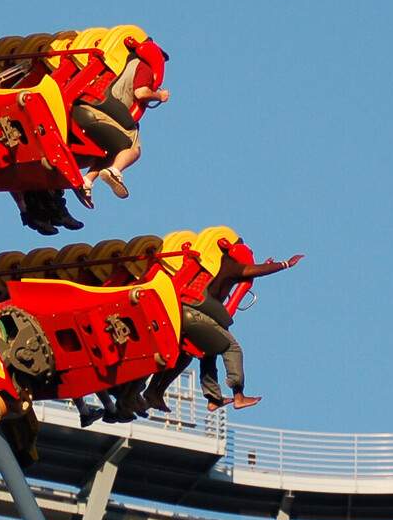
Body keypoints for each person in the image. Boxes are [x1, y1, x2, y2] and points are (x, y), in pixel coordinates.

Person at [144, 244, 304, 412]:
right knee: (232, 348)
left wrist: (263, 264)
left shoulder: (211, 263)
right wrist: (285, 264)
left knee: (206, 351)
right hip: (197, 314)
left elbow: (252, 270)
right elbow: (255, 270)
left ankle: (210, 398)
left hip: (183, 310)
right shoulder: (232, 266)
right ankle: (239, 396)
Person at [76, 44, 167, 204]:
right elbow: (141, 92)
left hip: (82, 108)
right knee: (133, 145)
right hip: (101, 112)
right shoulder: (143, 67)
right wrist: (160, 95)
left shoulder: (117, 64)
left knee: (111, 150)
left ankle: (86, 182)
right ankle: (114, 172)